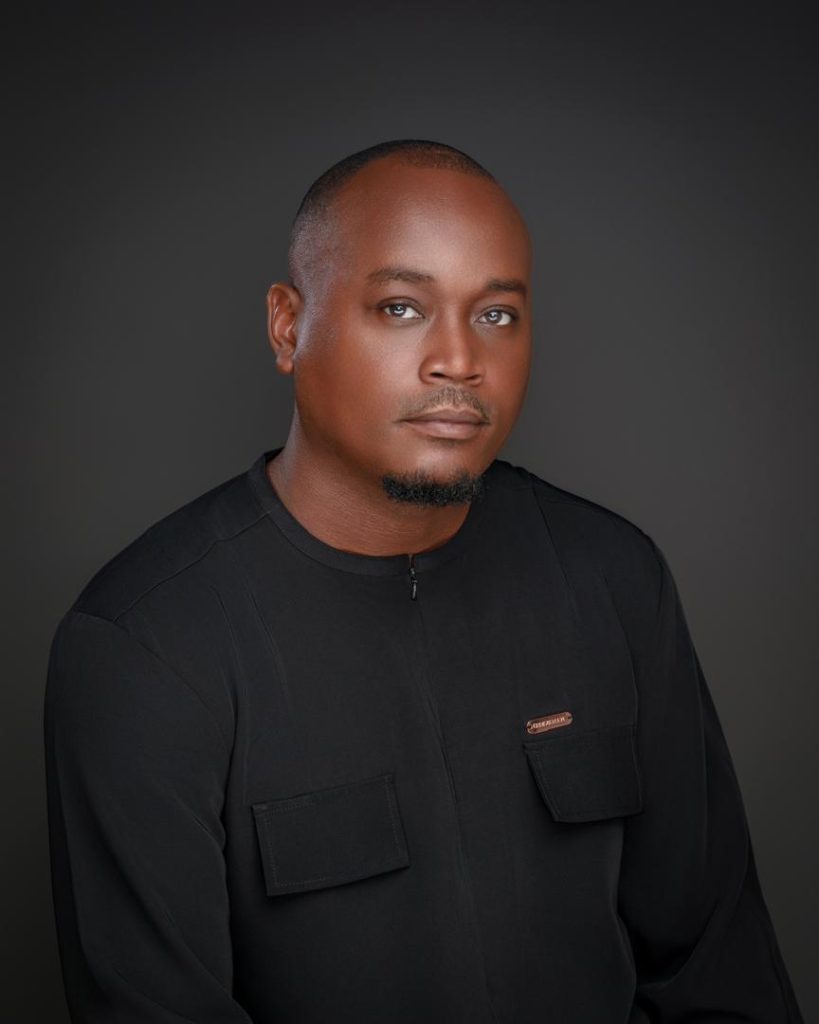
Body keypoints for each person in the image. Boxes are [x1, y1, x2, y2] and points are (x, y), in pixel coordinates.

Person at [44, 139, 804, 1023]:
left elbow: (719, 974)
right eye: (401, 308)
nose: (458, 361)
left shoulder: (612, 578)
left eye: (496, 315)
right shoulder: (145, 646)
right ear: (288, 327)